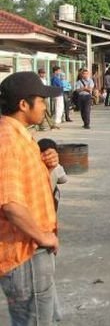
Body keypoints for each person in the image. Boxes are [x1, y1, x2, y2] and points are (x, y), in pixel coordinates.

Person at [0, 71, 62, 324]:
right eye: (42, 100)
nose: (45, 106)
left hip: (33, 250)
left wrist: (46, 165)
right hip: (25, 252)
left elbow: (27, 185)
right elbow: (10, 205)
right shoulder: (8, 141)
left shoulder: (20, 134)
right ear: (24, 104)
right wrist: (43, 236)